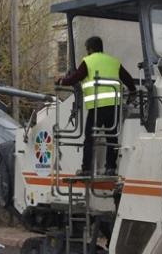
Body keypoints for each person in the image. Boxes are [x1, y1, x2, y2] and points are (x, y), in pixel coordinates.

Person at [55, 36, 136, 176]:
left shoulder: (88, 61)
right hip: (113, 106)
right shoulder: (114, 61)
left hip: (97, 107)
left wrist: (61, 81)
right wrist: (133, 91)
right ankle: (110, 168)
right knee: (112, 137)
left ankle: (86, 169)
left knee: (90, 137)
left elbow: (76, 78)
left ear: (90, 49)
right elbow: (127, 78)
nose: (86, 52)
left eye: (87, 49)